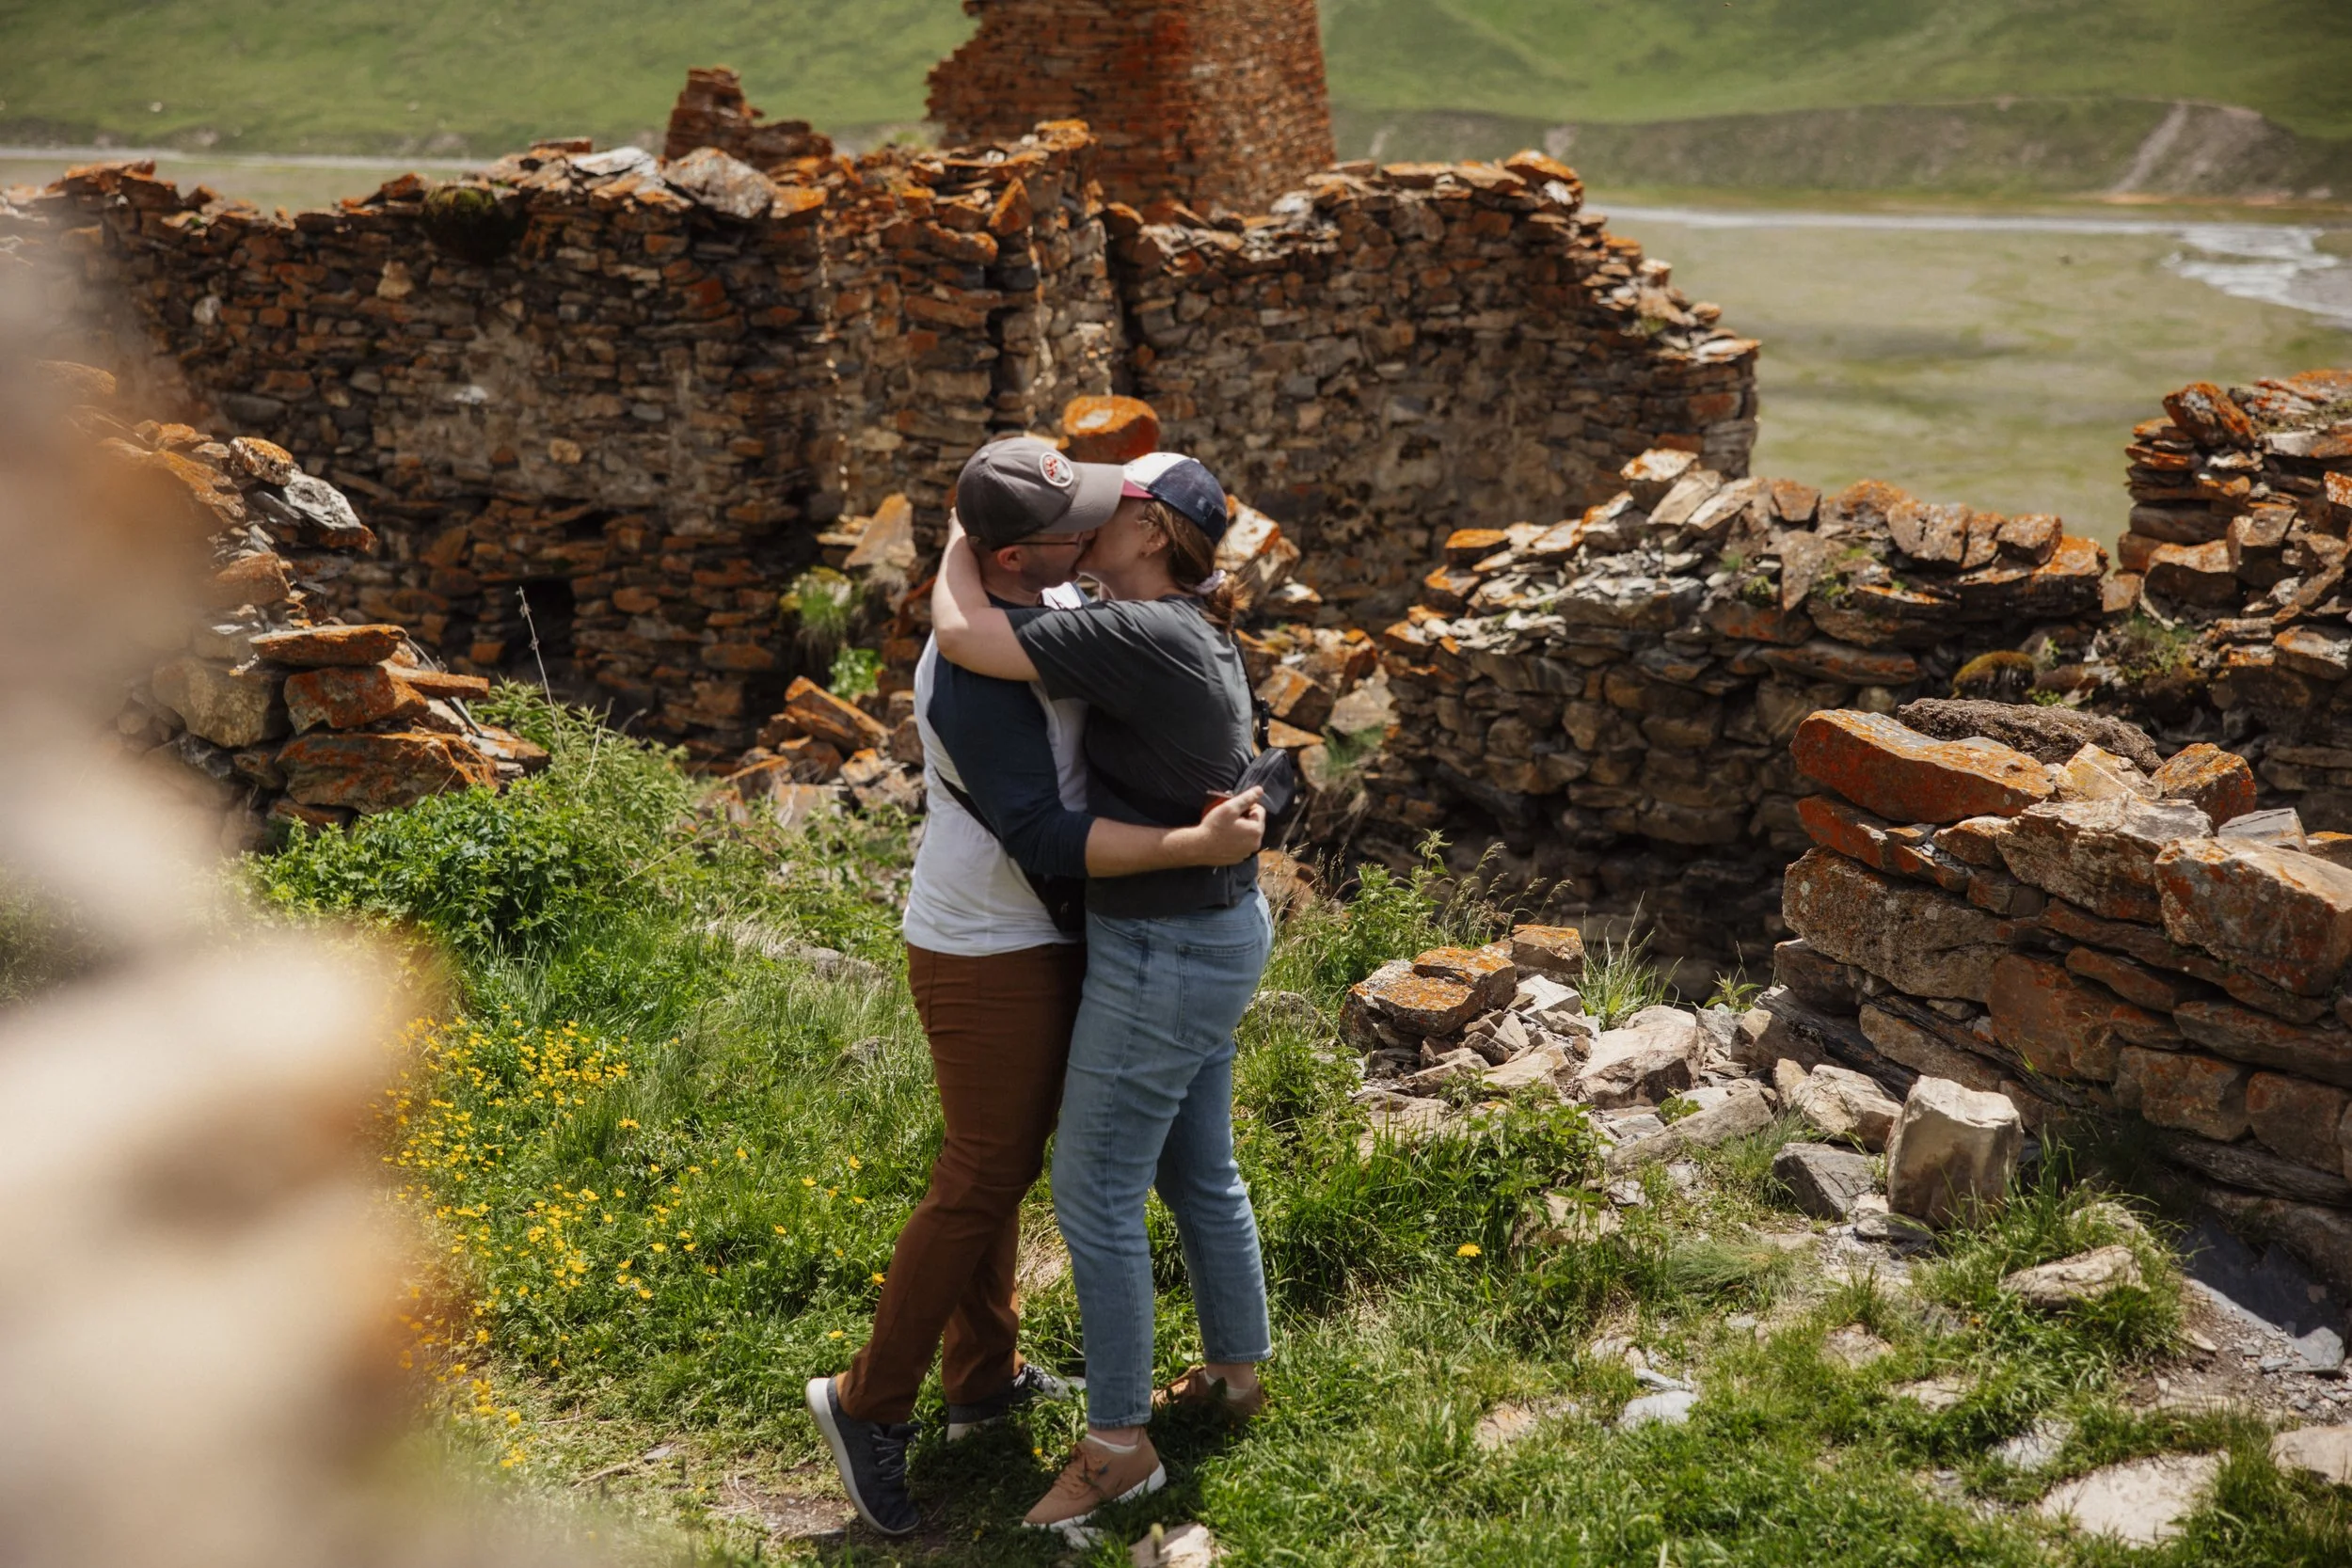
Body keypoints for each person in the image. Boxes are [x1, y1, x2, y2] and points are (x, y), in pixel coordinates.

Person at [805, 438, 1267, 1537]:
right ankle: (870, 1400)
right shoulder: (987, 659)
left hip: (1084, 926)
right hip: (995, 937)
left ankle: (982, 1381)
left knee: (1012, 1158)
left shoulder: (1071, 601)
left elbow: (989, 606)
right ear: (1029, 548)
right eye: (1079, 513)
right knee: (988, 1167)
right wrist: (1188, 843)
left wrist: (968, 539)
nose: (1096, 522)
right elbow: (1048, 831)